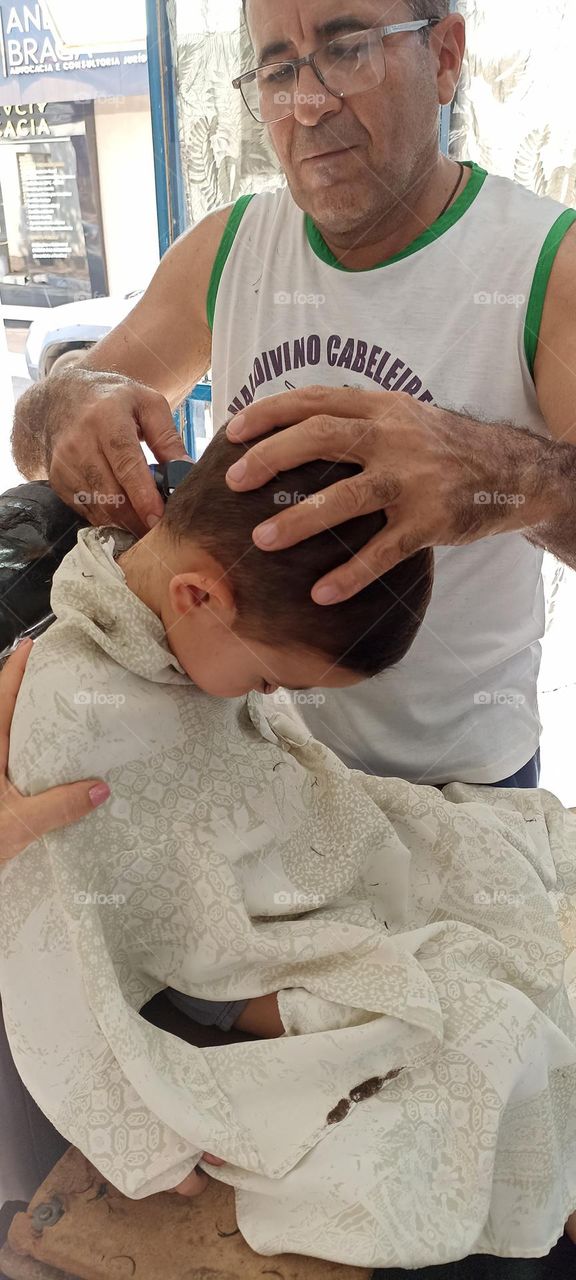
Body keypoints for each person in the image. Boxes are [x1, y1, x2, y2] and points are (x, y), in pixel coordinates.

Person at [1, 427, 576, 1268]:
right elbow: (68, 956)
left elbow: (267, 783)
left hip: (297, 890)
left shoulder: (171, 628)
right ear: (200, 597)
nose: (274, 702)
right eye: (274, 681)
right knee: (485, 1027)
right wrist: (139, 1128)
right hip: (230, 969)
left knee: (516, 902)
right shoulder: (72, 713)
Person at [9, 0, 576, 795]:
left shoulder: (547, 265)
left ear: (445, 56)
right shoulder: (229, 248)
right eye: (278, 68)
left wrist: (504, 475)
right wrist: (67, 404)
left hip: (460, 789)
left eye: (348, 49)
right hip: (254, 769)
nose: (307, 104)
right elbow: (37, 437)